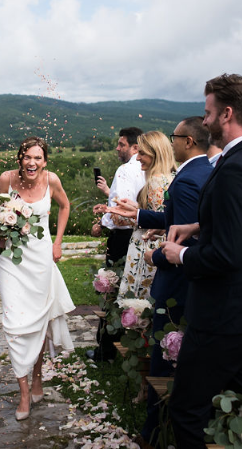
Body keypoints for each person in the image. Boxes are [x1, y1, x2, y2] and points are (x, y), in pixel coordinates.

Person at [160, 74, 242, 447]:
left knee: (188, 410)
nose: (206, 121)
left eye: (208, 112)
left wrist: (179, 254)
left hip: (223, 316)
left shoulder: (234, 169)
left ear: (227, 113)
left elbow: (227, 255)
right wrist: (199, 225)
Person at [107, 117, 213, 446]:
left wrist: (157, 257)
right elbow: (176, 221)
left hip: (177, 283)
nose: (173, 141)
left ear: (188, 142)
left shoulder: (186, 180)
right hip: (189, 281)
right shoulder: (203, 173)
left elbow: (184, 237)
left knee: (164, 358)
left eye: (175, 136)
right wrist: (137, 215)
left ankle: (154, 432)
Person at [0, 137, 75, 420]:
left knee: (39, 320)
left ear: (45, 161)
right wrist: (0, 232)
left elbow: (65, 206)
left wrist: (58, 242)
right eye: (27, 157)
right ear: (19, 158)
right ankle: (24, 391)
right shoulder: (6, 179)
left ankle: (38, 376)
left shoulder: (52, 180)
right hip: (11, 261)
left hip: (41, 258)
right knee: (14, 323)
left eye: (37, 158)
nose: (32, 162)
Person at [89, 126, 145, 361]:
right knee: (135, 289)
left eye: (121, 144)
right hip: (142, 235)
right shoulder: (148, 169)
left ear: (135, 147)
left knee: (110, 289)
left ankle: (106, 348)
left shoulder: (125, 169)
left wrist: (103, 222)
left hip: (121, 238)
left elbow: (119, 212)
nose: (117, 148)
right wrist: (108, 193)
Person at [116, 131, 175, 301]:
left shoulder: (155, 180)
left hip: (146, 247)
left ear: (155, 153)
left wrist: (129, 215)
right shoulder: (169, 177)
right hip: (154, 246)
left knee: (138, 300)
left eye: (142, 153)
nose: (138, 158)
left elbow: (158, 220)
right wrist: (135, 207)